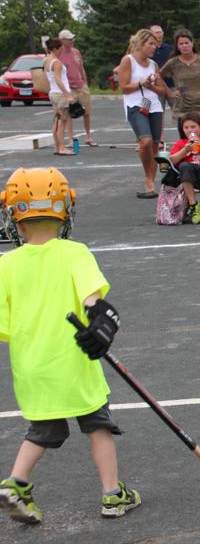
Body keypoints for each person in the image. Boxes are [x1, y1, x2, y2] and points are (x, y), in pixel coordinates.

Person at [0, 168, 141, 525]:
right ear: (65, 212)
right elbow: (94, 302)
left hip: (31, 367)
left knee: (43, 430)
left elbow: (3, 326)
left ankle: (16, 483)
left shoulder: (6, 264)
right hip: (73, 363)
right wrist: (102, 323)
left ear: (14, 217)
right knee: (98, 425)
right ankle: (112, 494)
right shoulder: (75, 253)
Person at [117, 28, 167, 198]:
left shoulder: (153, 65)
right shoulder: (128, 61)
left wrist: (152, 86)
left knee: (155, 145)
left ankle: (150, 183)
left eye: (155, 44)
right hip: (135, 104)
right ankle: (148, 177)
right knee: (145, 141)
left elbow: (162, 91)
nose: (154, 47)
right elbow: (123, 87)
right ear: (141, 43)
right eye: (151, 44)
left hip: (154, 105)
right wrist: (141, 84)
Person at [169, 111, 200, 224]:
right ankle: (194, 205)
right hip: (190, 176)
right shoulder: (180, 143)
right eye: (186, 127)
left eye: (193, 127)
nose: (190, 130)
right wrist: (185, 150)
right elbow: (172, 160)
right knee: (184, 166)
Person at [159, 28, 200, 125]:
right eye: (181, 44)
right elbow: (158, 76)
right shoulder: (173, 62)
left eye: (186, 43)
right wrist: (169, 92)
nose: (184, 46)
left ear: (192, 43)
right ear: (177, 46)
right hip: (182, 109)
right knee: (187, 134)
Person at [58, 29, 97, 146]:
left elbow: (81, 67)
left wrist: (85, 81)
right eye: (69, 39)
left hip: (80, 85)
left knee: (87, 111)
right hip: (69, 87)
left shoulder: (76, 52)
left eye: (72, 38)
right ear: (62, 40)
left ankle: (88, 136)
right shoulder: (59, 54)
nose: (72, 41)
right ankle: (70, 139)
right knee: (69, 113)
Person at [43, 39, 75, 156]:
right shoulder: (57, 62)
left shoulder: (46, 60)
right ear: (55, 48)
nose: (62, 50)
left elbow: (48, 77)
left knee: (56, 120)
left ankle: (57, 147)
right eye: (61, 48)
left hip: (53, 92)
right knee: (62, 122)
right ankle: (62, 148)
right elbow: (58, 79)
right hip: (60, 94)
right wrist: (67, 94)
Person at [151, 25, 174, 119]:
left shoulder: (170, 48)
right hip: (156, 86)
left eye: (160, 32)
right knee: (158, 114)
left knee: (179, 111)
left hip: (172, 85)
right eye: (156, 33)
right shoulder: (149, 50)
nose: (159, 34)